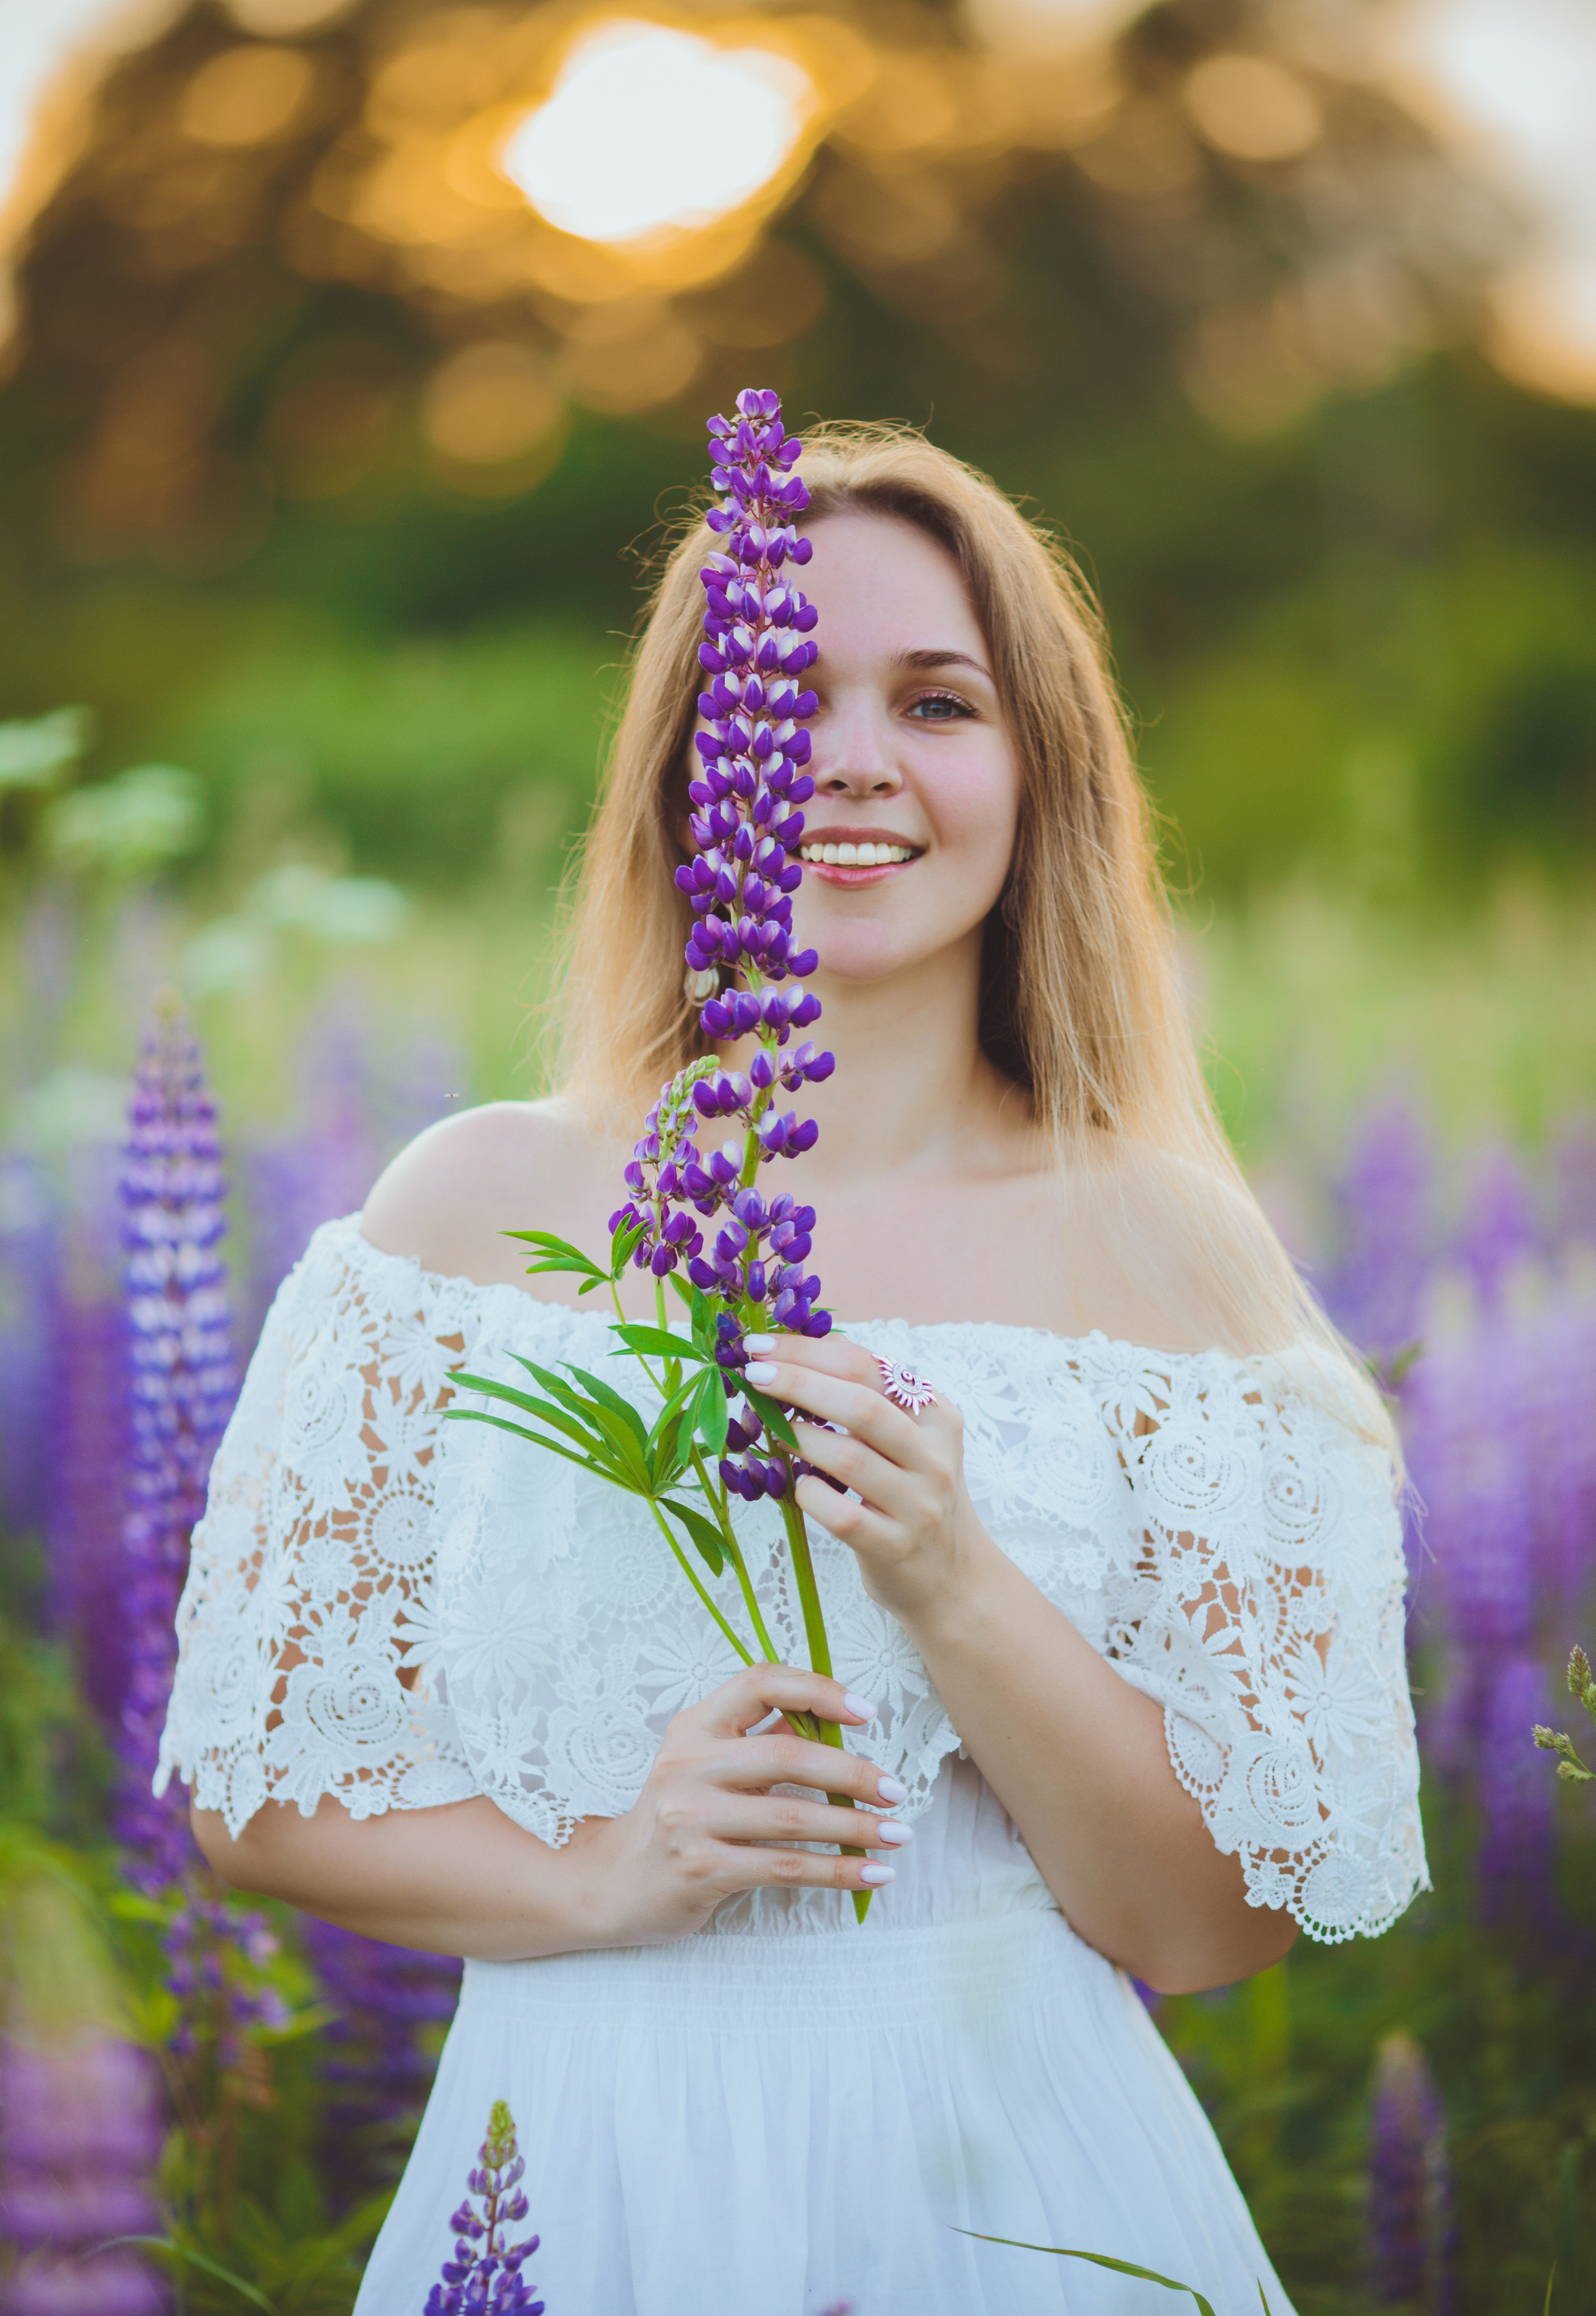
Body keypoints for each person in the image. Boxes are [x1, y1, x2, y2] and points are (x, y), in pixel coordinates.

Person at [161, 423, 1427, 2315]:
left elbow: (1213, 1921)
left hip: (1026, 2182)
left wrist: (952, 1571)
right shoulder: (473, 1209)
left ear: (1039, 772)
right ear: (681, 763)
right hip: (584, 2170)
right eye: (777, 695)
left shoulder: (1170, 1250)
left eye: (937, 700)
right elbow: (251, 1805)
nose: (845, 758)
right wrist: (602, 1872)